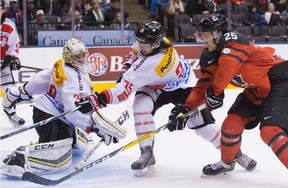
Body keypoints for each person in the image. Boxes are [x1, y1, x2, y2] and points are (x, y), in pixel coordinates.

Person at [75, 19, 256, 177]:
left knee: (203, 127)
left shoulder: (154, 62)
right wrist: (125, 70)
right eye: (139, 41)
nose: (140, 45)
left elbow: (122, 93)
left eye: (144, 44)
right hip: (156, 86)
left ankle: (235, 154)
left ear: (155, 44)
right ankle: (147, 153)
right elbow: (133, 53)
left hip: (183, 87)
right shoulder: (152, 42)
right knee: (140, 105)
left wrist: (95, 101)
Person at [1, 38, 126, 178]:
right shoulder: (72, 80)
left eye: (84, 54)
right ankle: (21, 159)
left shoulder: (62, 65)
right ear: (70, 57)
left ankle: (64, 142)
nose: (83, 58)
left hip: (53, 115)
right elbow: (72, 112)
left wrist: (23, 91)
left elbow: (42, 78)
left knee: (78, 145)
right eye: (78, 56)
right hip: (50, 118)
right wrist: (94, 127)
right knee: (60, 160)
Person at [182, 13, 287, 176]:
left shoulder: (234, 39)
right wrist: (185, 109)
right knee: (231, 125)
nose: (202, 38)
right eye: (201, 34)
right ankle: (226, 162)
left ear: (218, 34)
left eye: (206, 34)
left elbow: (227, 69)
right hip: (256, 90)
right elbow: (202, 86)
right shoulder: (209, 57)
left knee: (270, 130)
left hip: (279, 81)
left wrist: (216, 92)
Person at [0, 0, 25, 127]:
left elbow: (14, 46)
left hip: (2, 67)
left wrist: (12, 59)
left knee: (10, 91)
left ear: (3, 9)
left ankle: (11, 113)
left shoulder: (9, 26)